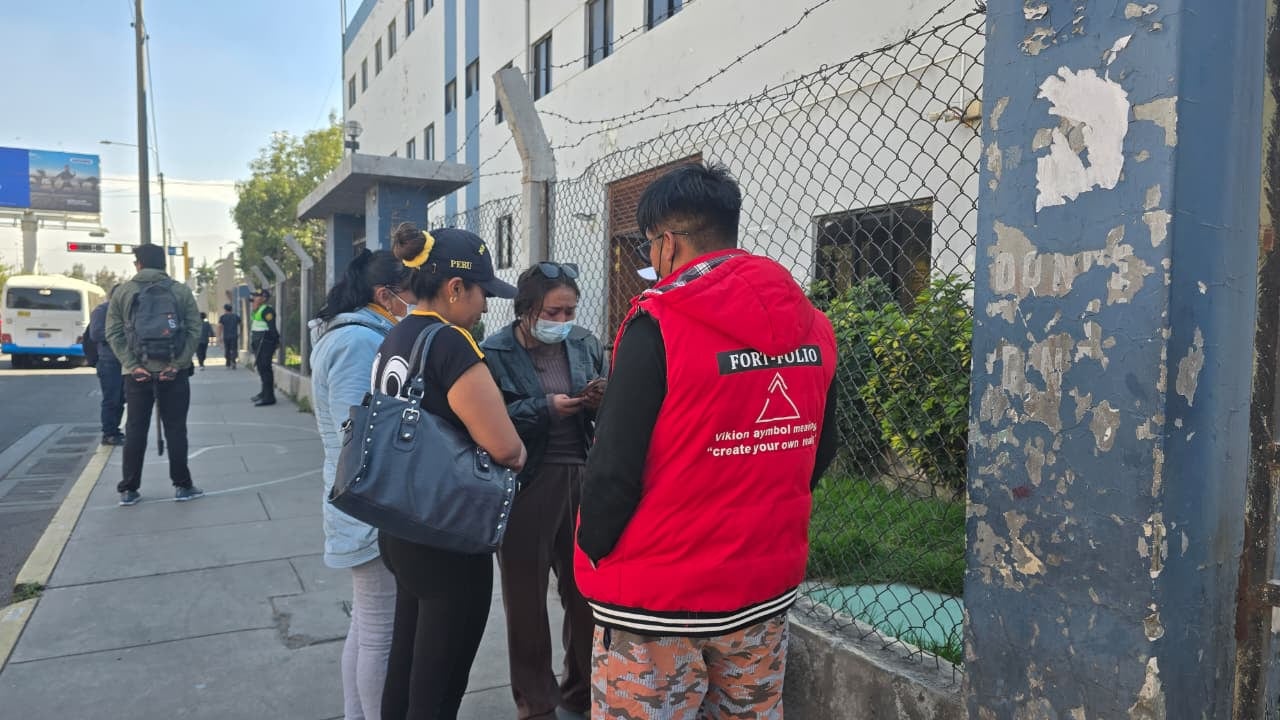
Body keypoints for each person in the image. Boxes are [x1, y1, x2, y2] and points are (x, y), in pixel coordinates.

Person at [574, 163, 841, 718]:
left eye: (649, 246)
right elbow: (819, 449)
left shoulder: (658, 323)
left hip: (656, 603)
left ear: (666, 242)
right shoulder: (814, 326)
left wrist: (595, 551)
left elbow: (612, 472)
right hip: (761, 593)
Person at [374, 223, 526, 720]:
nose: (486, 305)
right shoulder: (451, 344)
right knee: (439, 686)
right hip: (447, 532)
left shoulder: (395, 335)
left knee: (409, 663)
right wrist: (520, 452)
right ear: (455, 287)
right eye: (482, 292)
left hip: (399, 522)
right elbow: (505, 448)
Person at [481, 263, 604, 720]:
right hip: (524, 482)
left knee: (586, 594)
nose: (564, 320)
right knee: (526, 600)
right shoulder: (494, 351)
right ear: (528, 310)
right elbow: (486, 418)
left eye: (570, 310)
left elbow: (609, 405)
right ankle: (536, 703)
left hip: (582, 476)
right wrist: (544, 408)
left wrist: (599, 397)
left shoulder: (585, 342)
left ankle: (581, 692)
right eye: (554, 311)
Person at [311, 249, 417, 720]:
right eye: (409, 293)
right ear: (385, 295)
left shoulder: (356, 334)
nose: (414, 302)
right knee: (380, 630)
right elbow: (359, 433)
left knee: (367, 625)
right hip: (369, 503)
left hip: (362, 500)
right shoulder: (358, 342)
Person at [105, 243, 204, 507]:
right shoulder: (180, 292)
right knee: (176, 428)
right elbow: (195, 330)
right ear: (163, 264)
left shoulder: (124, 292)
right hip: (174, 372)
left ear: (138, 264)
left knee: (136, 429)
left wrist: (132, 364)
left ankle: (129, 489)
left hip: (136, 374)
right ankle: (182, 485)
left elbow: (113, 333)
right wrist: (178, 363)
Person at [88, 286, 125, 446]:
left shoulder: (126, 310)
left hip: (124, 361)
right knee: (112, 398)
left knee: (121, 398)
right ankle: (109, 433)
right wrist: (120, 333)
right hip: (109, 361)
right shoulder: (102, 311)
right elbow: (95, 334)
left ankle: (115, 430)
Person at [249, 289, 279, 406]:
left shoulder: (267, 310)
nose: (253, 299)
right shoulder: (257, 310)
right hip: (258, 341)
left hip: (265, 342)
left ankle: (269, 397)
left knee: (265, 368)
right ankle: (264, 392)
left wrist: (275, 341)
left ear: (263, 298)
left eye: (256, 296)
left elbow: (272, 328)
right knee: (261, 368)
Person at [218, 303, 241, 370]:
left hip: (226, 336)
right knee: (234, 349)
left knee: (227, 349)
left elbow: (220, 327)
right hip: (234, 335)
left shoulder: (223, 317)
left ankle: (228, 363)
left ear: (225, 309)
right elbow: (241, 324)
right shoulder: (236, 316)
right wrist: (240, 332)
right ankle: (233, 361)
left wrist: (219, 336)